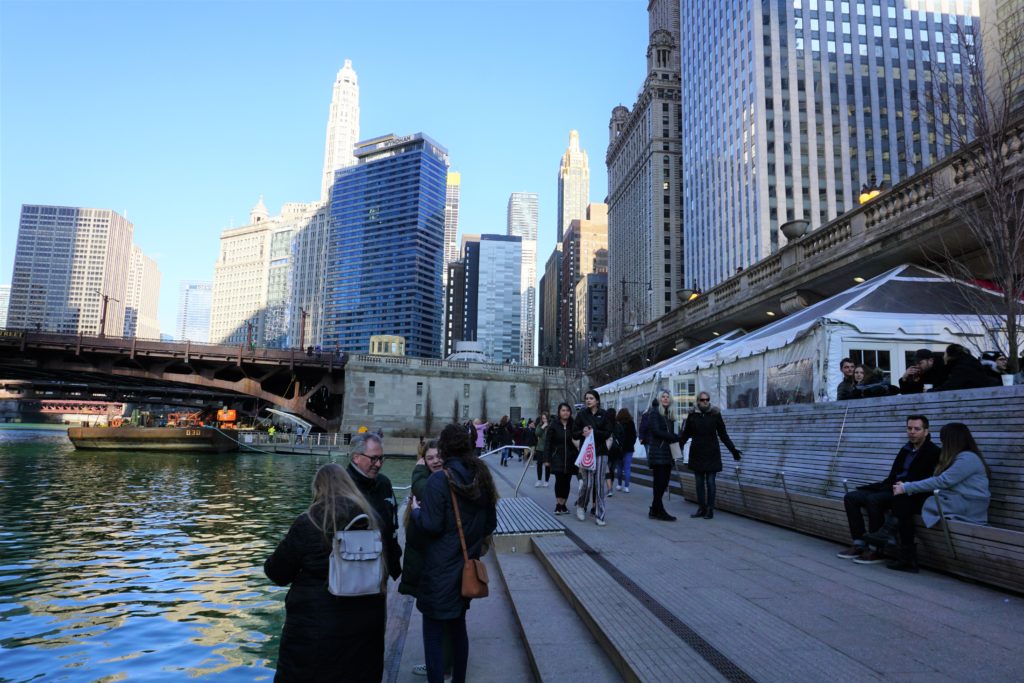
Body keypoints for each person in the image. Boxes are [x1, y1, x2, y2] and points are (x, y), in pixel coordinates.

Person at [264, 463, 386, 682]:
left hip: (315, 627)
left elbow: (277, 572)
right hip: (366, 624)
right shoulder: (370, 519)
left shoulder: (309, 522)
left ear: (318, 489)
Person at [411, 424, 498, 683]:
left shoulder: (440, 479)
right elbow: (490, 524)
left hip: (439, 569)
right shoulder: (481, 475)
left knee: (434, 633)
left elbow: (431, 525)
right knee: (458, 629)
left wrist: (417, 512)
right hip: (466, 566)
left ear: (446, 448)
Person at [867, 422, 991, 572]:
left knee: (904, 501)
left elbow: (943, 481)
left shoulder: (967, 458)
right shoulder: (959, 457)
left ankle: (892, 538)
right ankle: (897, 546)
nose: (942, 443)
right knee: (904, 502)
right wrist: (907, 488)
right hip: (953, 500)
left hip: (966, 506)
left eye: (944, 439)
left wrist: (907, 487)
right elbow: (940, 480)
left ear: (952, 440)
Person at [836, 415, 940, 564]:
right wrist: (886, 487)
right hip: (891, 488)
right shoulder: (905, 449)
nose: (912, 432)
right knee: (851, 497)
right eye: (909, 428)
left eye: (917, 429)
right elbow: (893, 475)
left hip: (909, 494)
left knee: (874, 499)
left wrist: (899, 487)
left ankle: (876, 550)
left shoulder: (933, 452)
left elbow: (924, 480)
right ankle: (859, 543)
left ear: (926, 431)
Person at [399, 440, 452, 678]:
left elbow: (425, 493)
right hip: (428, 563)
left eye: (439, 456)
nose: (436, 461)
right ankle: (438, 663)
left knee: (442, 620)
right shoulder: (431, 483)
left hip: (439, 565)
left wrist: (419, 468)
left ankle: (441, 667)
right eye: (430, 458)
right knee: (437, 618)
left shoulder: (437, 484)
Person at [347, 433, 402, 584]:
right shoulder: (341, 487)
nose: (378, 464)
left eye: (380, 459)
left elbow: (392, 523)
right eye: (373, 458)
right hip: (352, 572)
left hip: (381, 570)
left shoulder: (384, 483)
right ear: (356, 457)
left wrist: (394, 559)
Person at [679, 391, 743, 519]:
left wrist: (733, 450)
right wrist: (676, 449)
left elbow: (723, 434)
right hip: (697, 452)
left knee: (710, 482)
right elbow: (685, 435)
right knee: (699, 483)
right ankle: (701, 508)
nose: (705, 402)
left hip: (712, 452)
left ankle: (710, 509)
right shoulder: (692, 415)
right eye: (702, 400)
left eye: (707, 399)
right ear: (698, 401)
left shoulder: (715, 414)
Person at [572, 389, 611, 526]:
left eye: (591, 398)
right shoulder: (581, 415)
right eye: (586, 398)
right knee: (587, 484)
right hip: (587, 453)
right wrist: (582, 432)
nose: (588, 400)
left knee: (599, 484)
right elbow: (574, 432)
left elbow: (607, 433)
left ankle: (600, 514)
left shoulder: (604, 414)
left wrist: (594, 432)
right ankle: (581, 505)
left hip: (601, 452)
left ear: (597, 401)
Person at [645, 390, 679, 522]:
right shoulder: (654, 412)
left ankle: (655, 509)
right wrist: (674, 437)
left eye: (667, 397)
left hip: (667, 452)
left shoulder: (668, 413)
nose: (665, 399)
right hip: (658, 451)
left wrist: (675, 437)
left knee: (664, 482)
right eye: (663, 397)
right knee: (660, 482)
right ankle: (659, 510)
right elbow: (656, 431)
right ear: (659, 399)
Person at [547, 403, 578, 515]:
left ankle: (564, 504)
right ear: (559, 412)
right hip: (557, 458)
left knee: (567, 481)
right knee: (559, 481)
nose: (566, 412)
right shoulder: (553, 425)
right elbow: (548, 443)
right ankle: (558, 504)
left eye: (567, 410)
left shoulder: (574, 425)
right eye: (563, 410)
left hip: (571, 458)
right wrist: (547, 459)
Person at [931, 344, 1001, 391]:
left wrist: (932, 390)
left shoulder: (962, 367)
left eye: (945, 354)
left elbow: (951, 385)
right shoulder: (971, 362)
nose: (943, 356)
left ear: (950, 355)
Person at [614, 408, 637, 493]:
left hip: (619, 448)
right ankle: (626, 487)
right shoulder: (631, 423)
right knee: (627, 468)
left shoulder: (617, 423)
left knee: (619, 467)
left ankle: (619, 485)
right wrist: (631, 444)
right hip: (629, 448)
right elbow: (634, 436)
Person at [604, 407, 624, 498]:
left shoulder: (605, 424)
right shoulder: (618, 425)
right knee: (612, 469)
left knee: (607, 469)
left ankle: (609, 488)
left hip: (607, 449)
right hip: (616, 450)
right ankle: (610, 486)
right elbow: (622, 437)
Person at [534, 413, 551, 488]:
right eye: (543, 418)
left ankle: (546, 481)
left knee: (547, 465)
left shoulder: (551, 425)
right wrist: (543, 427)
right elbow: (537, 434)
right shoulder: (539, 425)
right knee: (539, 464)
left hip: (548, 449)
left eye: (546, 418)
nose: (545, 420)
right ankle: (539, 480)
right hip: (540, 448)